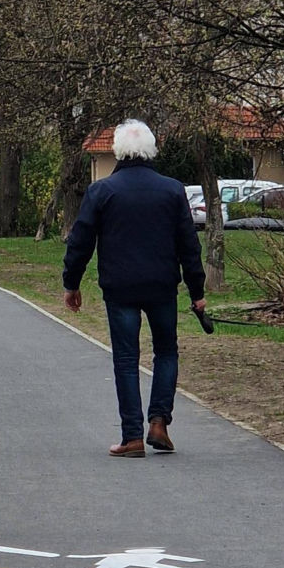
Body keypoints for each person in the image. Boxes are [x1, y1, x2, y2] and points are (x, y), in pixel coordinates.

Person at [62, 118, 207, 458]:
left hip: (120, 286)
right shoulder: (172, 190)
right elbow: (189, 245)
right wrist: (197, 290)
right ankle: (159, 421)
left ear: (118, 151)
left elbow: (80, 240)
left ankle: (131, 437)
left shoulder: (101, 192)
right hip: (161, 286)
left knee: (127, 359)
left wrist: (72, 283)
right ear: (151, 149)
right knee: (166, 351)